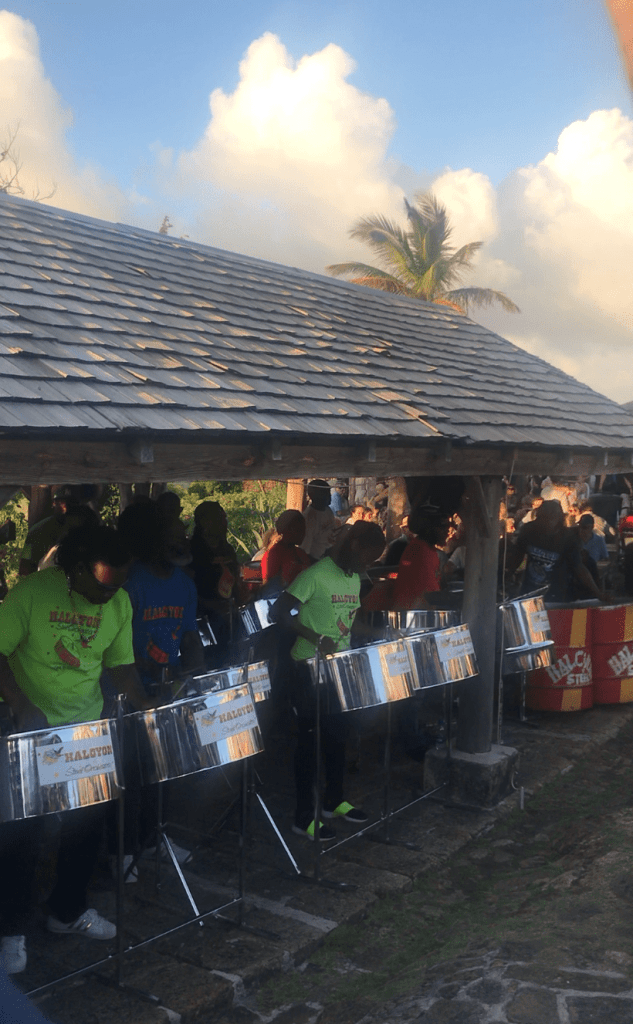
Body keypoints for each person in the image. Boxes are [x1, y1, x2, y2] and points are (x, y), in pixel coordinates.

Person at [0, 525, 150, 974]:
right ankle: (10, 929)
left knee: (86, 826)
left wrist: (146, 707)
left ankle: (67, 912)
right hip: (32, 730)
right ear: (78, 569)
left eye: (117, 586)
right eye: (102, 587)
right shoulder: (31, 593)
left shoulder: (119, 602)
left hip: (85, 729)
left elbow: (120, 666)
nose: (108, 597)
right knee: (23, 835)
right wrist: (19, 703)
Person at [276, 521, 386, 840]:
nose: (368, 566)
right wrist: (314, 637)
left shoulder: (352, 577)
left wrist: (379, 633)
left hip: (339, 668)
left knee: (338, 737)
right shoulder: (314, 574)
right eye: (368, 558)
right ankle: (303, 817)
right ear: (354, 546)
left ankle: (333, 801)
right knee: (309, 745)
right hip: (307, 669)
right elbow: (279, 613)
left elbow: (347, 623)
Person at [506, 500, 605, 603]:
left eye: (549, 519)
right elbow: (517, 557)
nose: (544, 522)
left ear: (558, 519)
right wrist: (507, 576)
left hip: (556, 595)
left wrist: (598, 593)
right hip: (530, 593)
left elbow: (579, 568)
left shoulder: (567, 538)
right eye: (542, 518)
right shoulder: (529, 530)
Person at [391, 505, 451, 610]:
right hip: (414, 614)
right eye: (443, 527)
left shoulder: (428, 550)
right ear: (430, 528)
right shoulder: (421, 552)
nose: (448, 531)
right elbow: (427, 597)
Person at [18, 486, 77, 576]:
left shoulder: (78, 525)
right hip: (46, 575)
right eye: (62, 503)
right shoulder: (38, 530)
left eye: (69, 504)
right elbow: (24, 566)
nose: (65, 507)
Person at [261, 510, 311, 589]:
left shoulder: (300, 553)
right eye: (300, 529)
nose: (304, 533)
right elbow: (270, 587)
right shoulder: (274, 554)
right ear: (289, 530)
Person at [300, 480, 340, 561]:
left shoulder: (328, 510)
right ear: (315, 495)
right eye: (326, 493)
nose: (330, 496)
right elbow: (305, 550)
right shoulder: (309, 517)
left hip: (330, 556)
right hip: (316, 560)